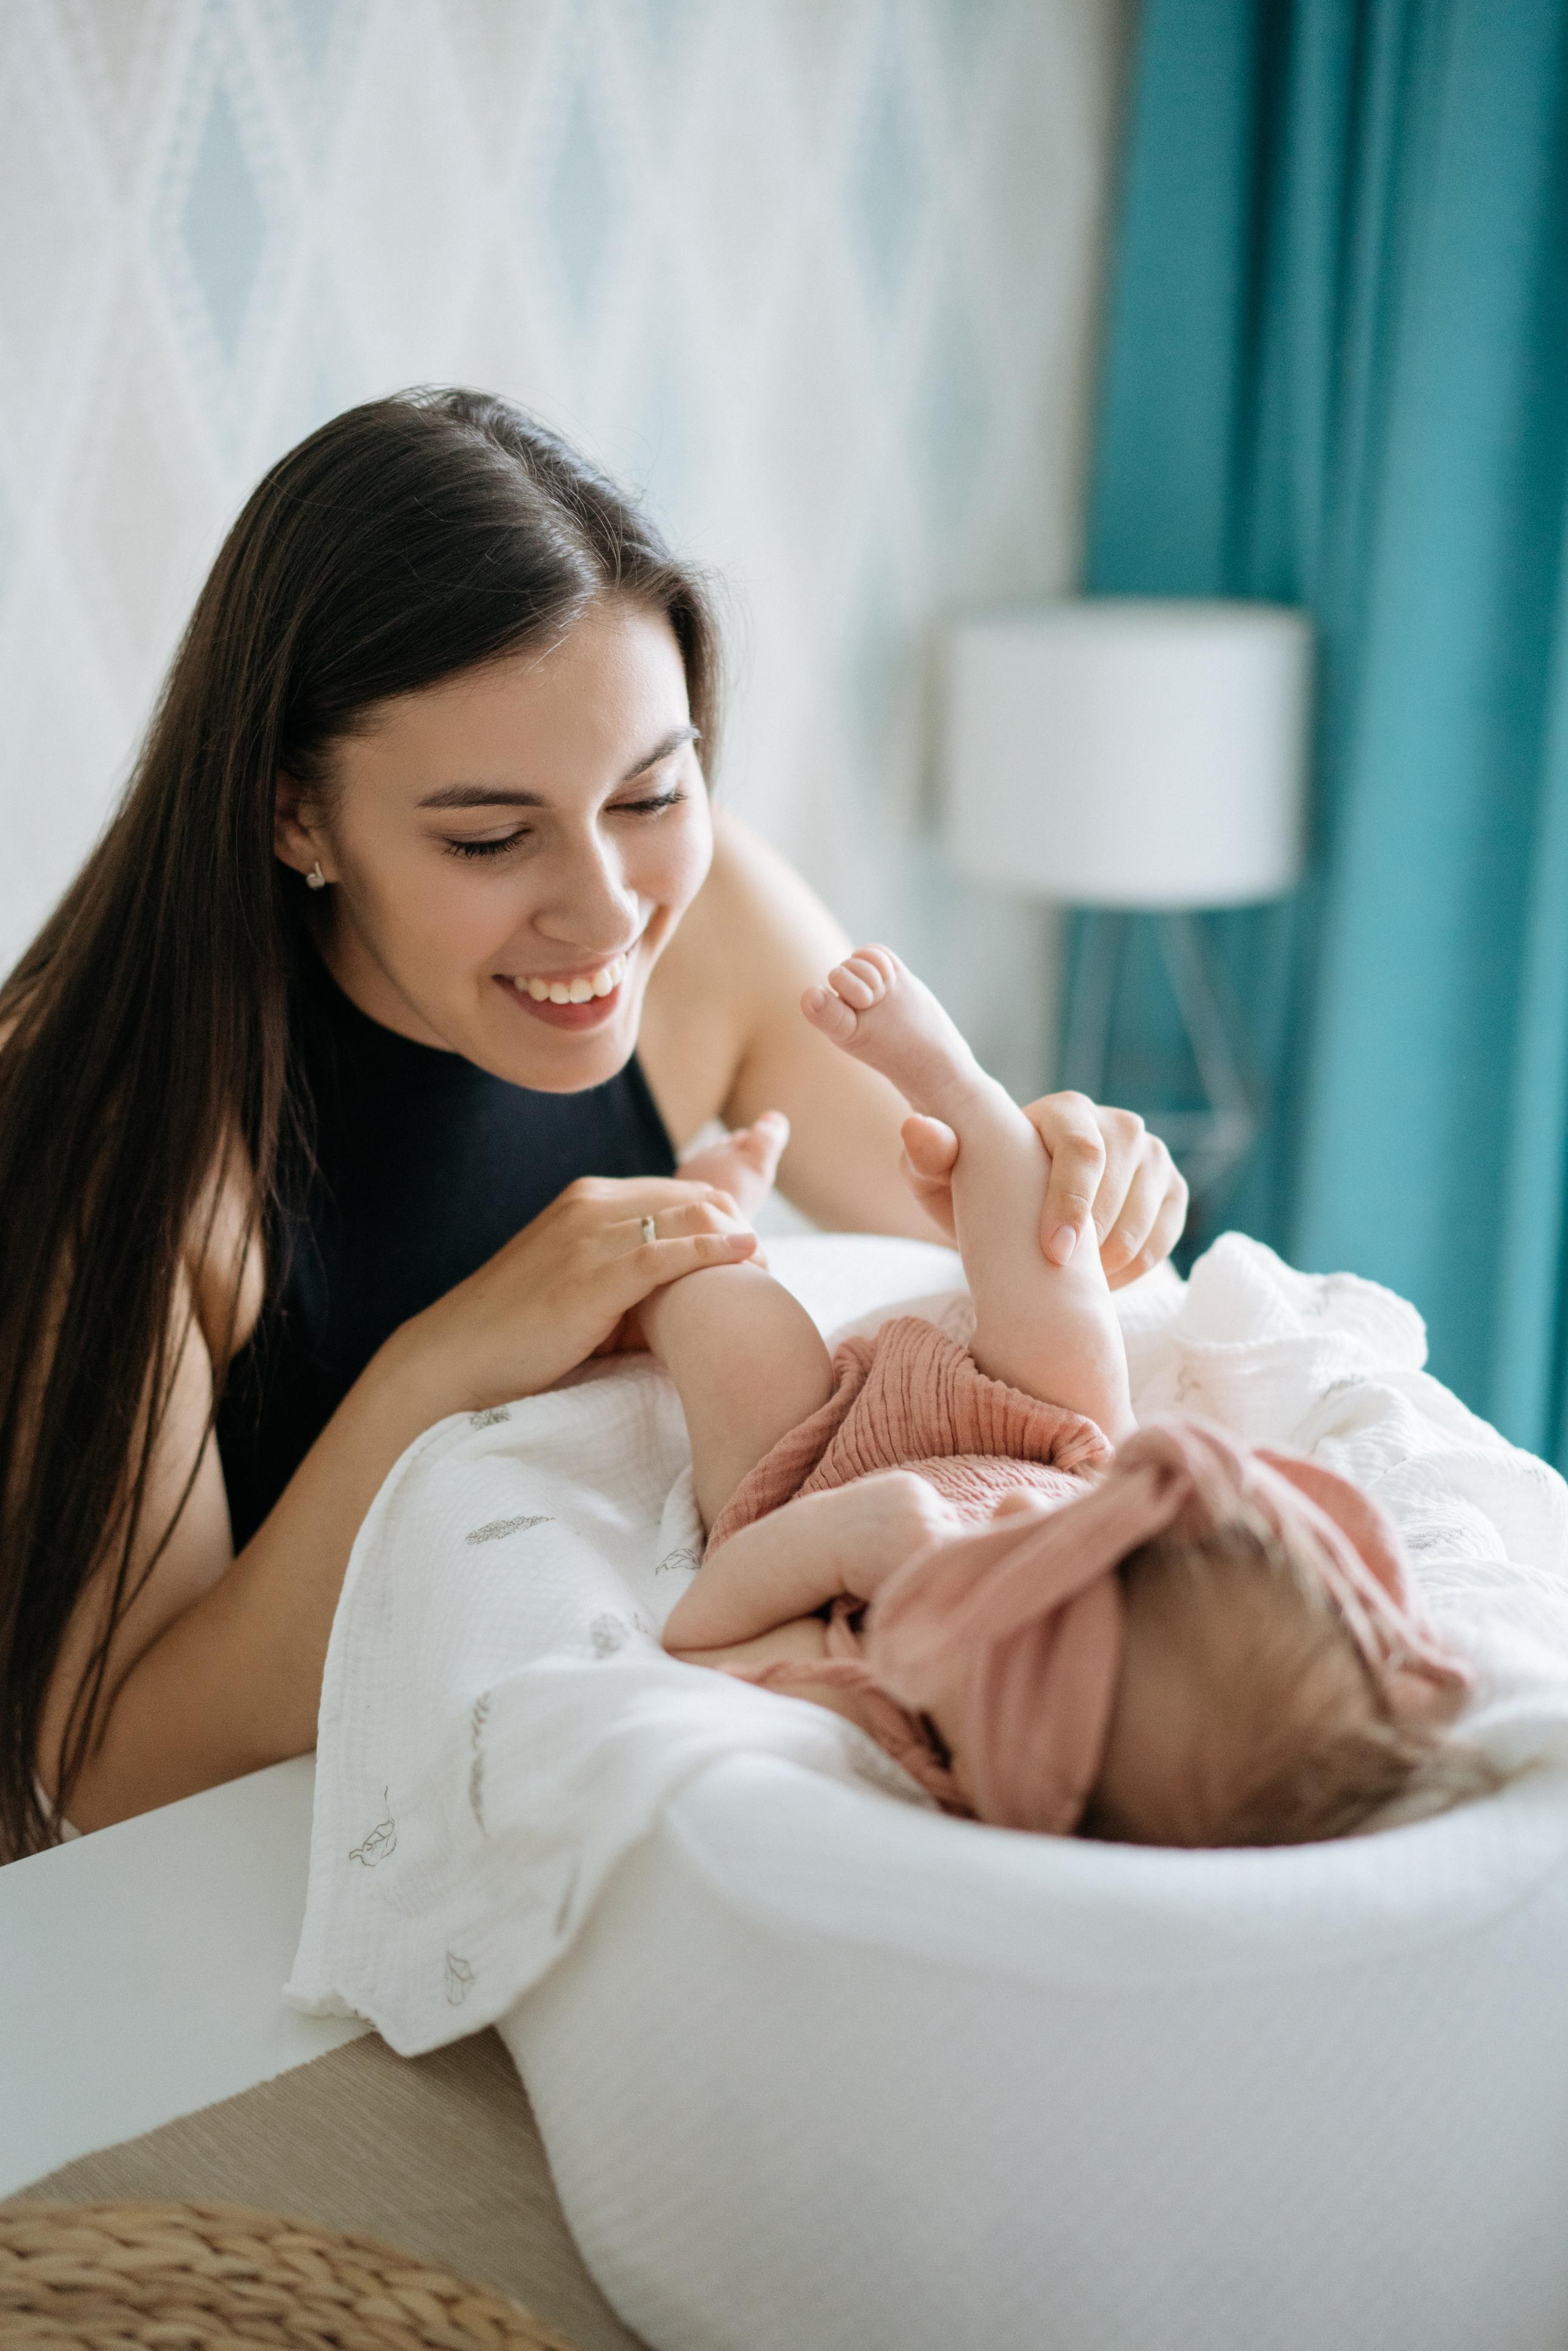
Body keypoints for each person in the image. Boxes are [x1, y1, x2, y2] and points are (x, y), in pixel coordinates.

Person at [0, 390, 1186, 1858]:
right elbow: (117, 1768)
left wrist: (1071, 1182)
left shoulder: (717, 920)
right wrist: (446, 1361)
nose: (608, 911)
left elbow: (1000, 1287)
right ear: (291, 815)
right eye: (488, 838)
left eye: (648, 792)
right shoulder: (115, 1132)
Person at [648, 946, 1479, 1847]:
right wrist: (1075, 1496)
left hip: (806, 1467)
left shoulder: (882, 1700)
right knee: (1060, 1282)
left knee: (735, 1327)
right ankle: (959, 1089)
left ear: (1004, 1765)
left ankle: (698, 1225)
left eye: (1012, 1609)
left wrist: (846, 1535)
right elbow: (1065, 1495)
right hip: (1041, 1436)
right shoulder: (1062, 1499)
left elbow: (703, 1635)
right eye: (1069, 1546)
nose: (1009, 1517)